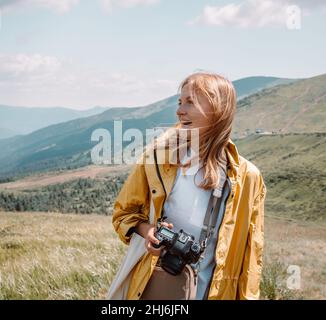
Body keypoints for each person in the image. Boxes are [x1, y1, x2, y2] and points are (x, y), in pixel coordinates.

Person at [109, 72, 266, 300]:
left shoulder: (249, 177)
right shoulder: (157, 159)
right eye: (180, 102)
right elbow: (124, 213)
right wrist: (148, 232)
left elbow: (252, 254)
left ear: (218, 109)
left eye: (190, 102)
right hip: (158, 285)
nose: (180, 110)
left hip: (215, 292)